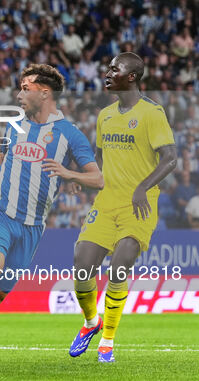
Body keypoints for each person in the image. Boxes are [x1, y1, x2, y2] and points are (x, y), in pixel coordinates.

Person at [0, 64, 103, 371]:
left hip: (32, 227)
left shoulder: (69, 135)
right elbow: (5, 158)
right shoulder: (15, 125)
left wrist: (66, 172)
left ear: (44, 93)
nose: (19, 94)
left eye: (25, 88)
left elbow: (97, 179)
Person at [69, 52, 177, 363]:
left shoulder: (152, 114)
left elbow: (170, 158)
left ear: (131, 76)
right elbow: (99, 161)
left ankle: (108, 342)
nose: (107, 71)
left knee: (120, 265)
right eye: (108, 66)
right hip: (107, 203)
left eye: (115, 68)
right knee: (81, 264)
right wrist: (84, 177)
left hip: (138, 206)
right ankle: (91, 323)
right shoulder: (105, 116)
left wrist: (143, 187)